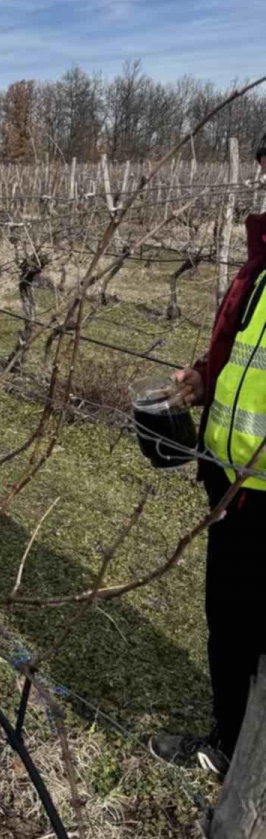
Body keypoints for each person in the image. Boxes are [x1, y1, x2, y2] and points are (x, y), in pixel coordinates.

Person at [150, 134, 266, 779]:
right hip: (231, 483)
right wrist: (204, 376)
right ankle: (228, 745)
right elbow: (240, 350)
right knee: (231, 625)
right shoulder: (260, 264)